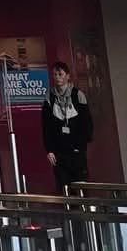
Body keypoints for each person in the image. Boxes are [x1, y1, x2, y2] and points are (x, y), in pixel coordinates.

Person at [40, 62, 92, 191]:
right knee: (64, 187)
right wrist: (49, 150)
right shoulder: (49, 98)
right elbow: (46, 126)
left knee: (81, 186)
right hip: (59, 152)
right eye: (55, 74)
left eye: (60, 74)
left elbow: (86, 122)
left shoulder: (78, 95)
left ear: (68, 76)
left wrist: (80, 146)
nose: (57, 77)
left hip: (76, 150)